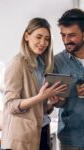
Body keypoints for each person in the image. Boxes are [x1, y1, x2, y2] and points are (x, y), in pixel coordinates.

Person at [1, 17, 67, 150]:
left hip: (43, 129)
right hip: (22, 137)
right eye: (38, 37)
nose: (43, 42)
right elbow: (10, 105)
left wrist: (50, 102)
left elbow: (41, 108)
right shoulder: (17, 64)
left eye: (47, 39)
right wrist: (40, 97)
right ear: (26, 36)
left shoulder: (42, 65)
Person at [54, 8, 84, 150]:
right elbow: (58, 103)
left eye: (72, 35)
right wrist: (55, 100)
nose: (66, 41)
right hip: (71, 139)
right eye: (63, 35)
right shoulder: (57, 62)